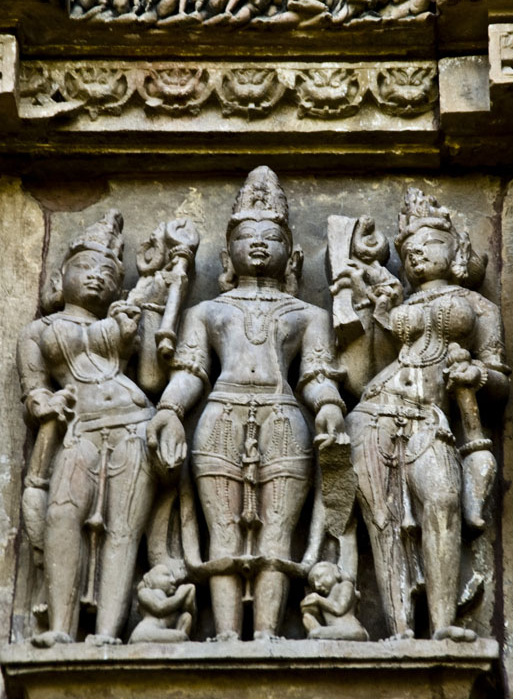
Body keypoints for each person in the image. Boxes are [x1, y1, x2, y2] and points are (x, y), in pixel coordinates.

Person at [148, 166, 346, 641]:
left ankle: (268, 635)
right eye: (246, 237)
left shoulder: (308, 315)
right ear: (227, 255)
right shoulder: (206, 312)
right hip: (220, 416)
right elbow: (190, 372)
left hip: (283, 418)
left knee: (277, 531)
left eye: (271, 237)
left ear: (292, 256)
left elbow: (316, 375)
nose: (258, 244)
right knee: (223, 529)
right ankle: (225, 635)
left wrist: (329, 406)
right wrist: (170, 411)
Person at [333, 189, 509, 641]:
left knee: (444, 500)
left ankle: (444, 623)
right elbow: (362, 374)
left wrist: (477, 375)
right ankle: (401, 632)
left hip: (432, 418)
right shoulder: (400, 303)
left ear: (457, 250)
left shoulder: (479, 306)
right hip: (374, 412)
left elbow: (499, 381)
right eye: (409, 246)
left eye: (430, 242)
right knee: (384, 521)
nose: (416, 251)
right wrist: (371, 309)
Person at [17, 210, 183, 647]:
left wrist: (148, 313)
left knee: (123, 531)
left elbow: (151, 378)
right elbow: (34, 391)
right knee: (62, 516)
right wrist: (45, 402)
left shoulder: (124, 316)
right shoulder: (39, 330)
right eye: (85, 267)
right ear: (61, 277)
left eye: (108, 273)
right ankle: (61, 627)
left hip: (134, 425)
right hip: (80, 428)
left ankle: (108, 634)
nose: (96, 277)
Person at [300, 561, 368, 640]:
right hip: (334, 630)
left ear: (335, 572)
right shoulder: (324, 599)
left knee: (315, 633)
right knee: (309, 623)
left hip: (353, 630)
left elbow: (339, 609)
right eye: (313, 584)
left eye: (319, 577)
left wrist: (318, 599)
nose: (317, 585)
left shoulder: (346, 585)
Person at [129, 564, 196, 643]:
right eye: (166, 575)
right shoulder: (144, 592)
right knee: (182, 637)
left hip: (162, 633)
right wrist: (180, 595)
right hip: (144, 632)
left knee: (186, 618)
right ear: (149, 581)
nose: (173, 580)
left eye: (173, 576)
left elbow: (188, 617)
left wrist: (189, 597)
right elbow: (159, 608)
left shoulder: (172, 603)